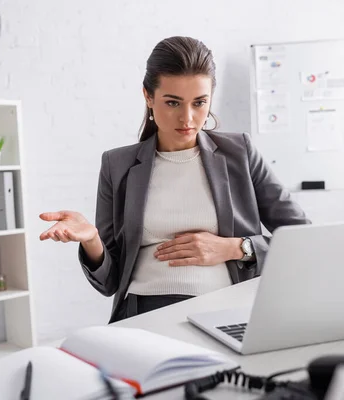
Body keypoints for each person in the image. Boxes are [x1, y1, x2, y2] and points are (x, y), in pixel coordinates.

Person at [40, 36, 310, 323]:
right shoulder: (117, 164)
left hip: (226, 309)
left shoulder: (239, 153)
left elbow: (302, 237)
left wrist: (236, 248)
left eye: (199, 102)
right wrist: (92, 240)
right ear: (148, 97)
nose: (188, 118)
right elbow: (109, 282)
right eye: (173, 102)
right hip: (143, 312)